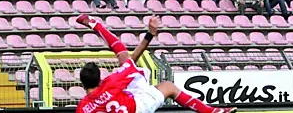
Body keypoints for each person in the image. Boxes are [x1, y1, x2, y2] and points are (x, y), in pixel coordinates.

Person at [75, 14, 237, 113]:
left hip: (129, 97)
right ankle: (211, 111)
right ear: (100, 79)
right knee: (168, 86)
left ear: (82, 84)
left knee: (125, 59)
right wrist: (150, 34)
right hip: (138, 106)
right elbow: (133, 58)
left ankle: (96, 25)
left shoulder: (83, 107)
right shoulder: (111, 83)